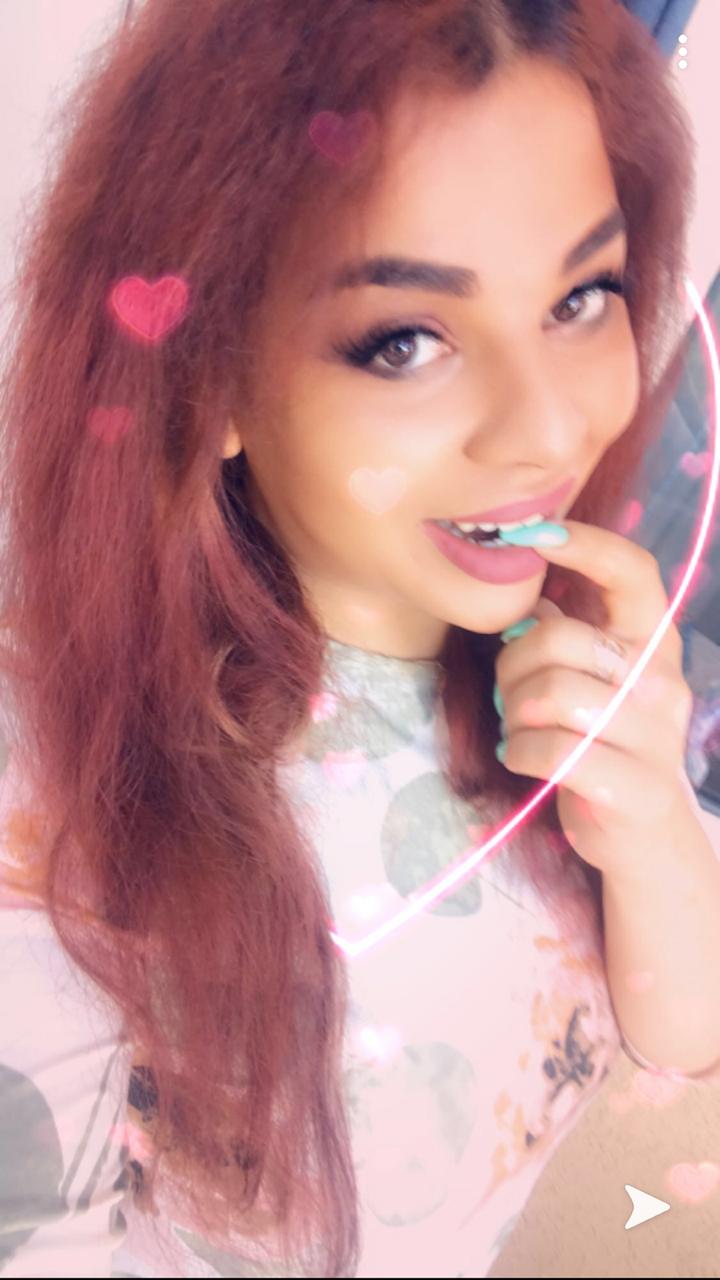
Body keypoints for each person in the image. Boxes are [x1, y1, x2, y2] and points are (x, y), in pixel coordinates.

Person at [1, 1, 718, 1277]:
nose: (548, 429)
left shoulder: (561, 646)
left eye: (583, 295)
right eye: (407, 339)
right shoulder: (58, 797)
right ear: (209, 372)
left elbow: (681, 1038)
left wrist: (654, 822)